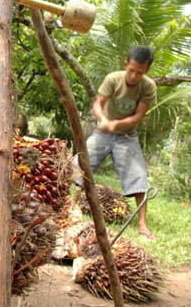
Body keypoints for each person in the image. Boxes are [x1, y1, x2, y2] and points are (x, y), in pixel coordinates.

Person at [78, 46, 157, 239]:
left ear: (146, 70)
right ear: (126, 64)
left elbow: (138, 116)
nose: (133, 76)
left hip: (127, 136)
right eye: (131, 70)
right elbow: (98, 103)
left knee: (139, 177)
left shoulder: (148, 86)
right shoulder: (113, 78)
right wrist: (103, 119)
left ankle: (142, 225)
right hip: (103, 132)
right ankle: (64, 206)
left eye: (139, 72)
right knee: (77, 166)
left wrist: (117, 124)